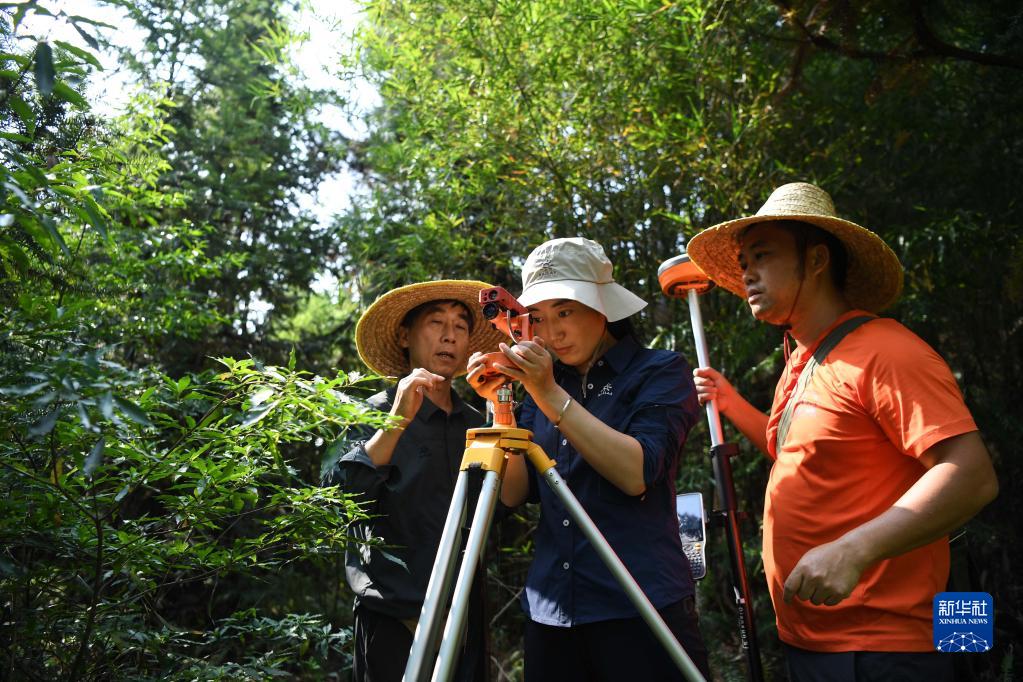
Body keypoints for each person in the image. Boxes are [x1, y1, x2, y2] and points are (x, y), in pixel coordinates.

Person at [685, 182, 999, 681]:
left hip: (883, 649)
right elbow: (795, 455)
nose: (747, 273)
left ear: (815, 260)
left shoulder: (887, 351)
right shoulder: (801, 360)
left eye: (762, 255)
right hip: (812, 641)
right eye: (743, 262)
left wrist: (854, 549)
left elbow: (971, 475)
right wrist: (730, 401)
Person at [467, 237, 712, 682]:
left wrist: (547, 392)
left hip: (640, 604)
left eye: (565, 312)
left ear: (603, 308)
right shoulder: (543, 384)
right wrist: (502, 406)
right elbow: (515, 492)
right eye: (537, 317)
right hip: (553, 610)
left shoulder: (659, 371)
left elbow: (636, 473)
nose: (552, 332)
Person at [326, 280, 505, 682]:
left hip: (462, 618)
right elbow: (341, 498)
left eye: (460, 326)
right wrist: (397, 421)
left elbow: (502, 507)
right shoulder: (370, 415)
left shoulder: (476, 424)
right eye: (436, 322)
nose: (449, 335)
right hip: (391, 619)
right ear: (405, 336)